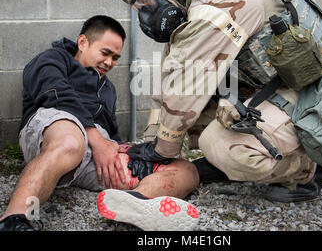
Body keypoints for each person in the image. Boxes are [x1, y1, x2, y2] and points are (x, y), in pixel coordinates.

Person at [104, 0, 322, 223]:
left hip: (319, 94)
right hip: (277, 83)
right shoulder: (197, 1)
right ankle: (241, 162)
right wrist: (153, 139)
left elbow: (187, 87)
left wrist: (160, 151)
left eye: (145, 1)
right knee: (194, 123)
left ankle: (308, 168)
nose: (145, 14)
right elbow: (172, 74)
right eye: (138, 7)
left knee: (218, 143)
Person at [0, 15, 200, 231]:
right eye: (105, 53)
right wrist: (96, 139)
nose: (109, 62)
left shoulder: (108, 89)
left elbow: (111, 133)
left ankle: (136, 203)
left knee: (186, 169)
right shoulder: (53, 58)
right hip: (56, 131)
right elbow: (56, 93)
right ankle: (15, 219)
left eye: (115, 57)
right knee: (71, 142)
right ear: (83, 42)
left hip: (95, 152)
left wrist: (121, 148)